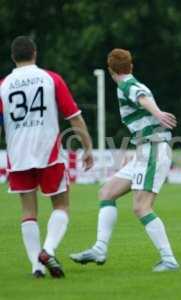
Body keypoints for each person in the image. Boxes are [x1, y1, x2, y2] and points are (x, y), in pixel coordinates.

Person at [70, 48, 179, 272]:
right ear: (131, 65)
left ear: (111, 71)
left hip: (154, 149)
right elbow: (141, 96)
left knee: (141, 207)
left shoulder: (126, 84)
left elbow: (140, 96)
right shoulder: (130, 82)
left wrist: (157, 113)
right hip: (144, 150)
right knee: (107, 192)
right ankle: (99, 249)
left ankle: (169, 260)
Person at [0, 36, 94, 278]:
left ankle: (36, 266)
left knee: (28, 211)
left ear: (13, 57)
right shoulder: (51, 79)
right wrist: (88, 147)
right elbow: (74, 116)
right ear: (35, 52)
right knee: (61, 205)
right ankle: (48, 249)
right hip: (48, 153)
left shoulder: (3, 85)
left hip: (17, 155)